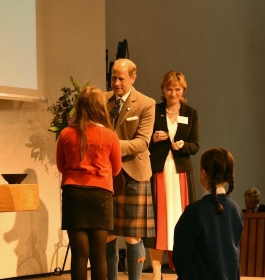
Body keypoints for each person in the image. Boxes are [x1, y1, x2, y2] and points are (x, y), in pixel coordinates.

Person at [56, 86, 122, 280]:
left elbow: (61, 166)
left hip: (74, 194)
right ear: (101, 107)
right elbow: (117, 169)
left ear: (80, 106)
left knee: (79, 253)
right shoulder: (110, 136)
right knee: (98, 253)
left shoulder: (66, 134)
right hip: (100, 194)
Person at [105, 58, 156, 280]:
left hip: (134, 174)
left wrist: (110, 144)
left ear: (133, 78)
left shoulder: (146, 103)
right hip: (107, 175)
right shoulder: (103, 100)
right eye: (113, 77)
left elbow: (142, 142)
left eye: (121, 78)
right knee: (107, 234)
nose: (116, 83)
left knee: (133, 236)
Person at [145, 70, 199, 279]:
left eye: (177, 89)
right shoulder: (154, 110)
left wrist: (184, 145)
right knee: (158, 222)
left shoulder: (191, 112)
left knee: (181, 220)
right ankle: (156, 273)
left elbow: (195, 145)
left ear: (183, 90)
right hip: (159, 172)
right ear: (163, 90)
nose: (173, 93)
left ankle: (182, 271)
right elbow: (142, 138)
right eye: (169, 89)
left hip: (180, 175)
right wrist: (153, 138)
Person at [173, 148, 243, 280]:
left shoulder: (194, 211)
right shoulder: (236, 209)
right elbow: (234, 254)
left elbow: (180, 254)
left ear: (203, 173)